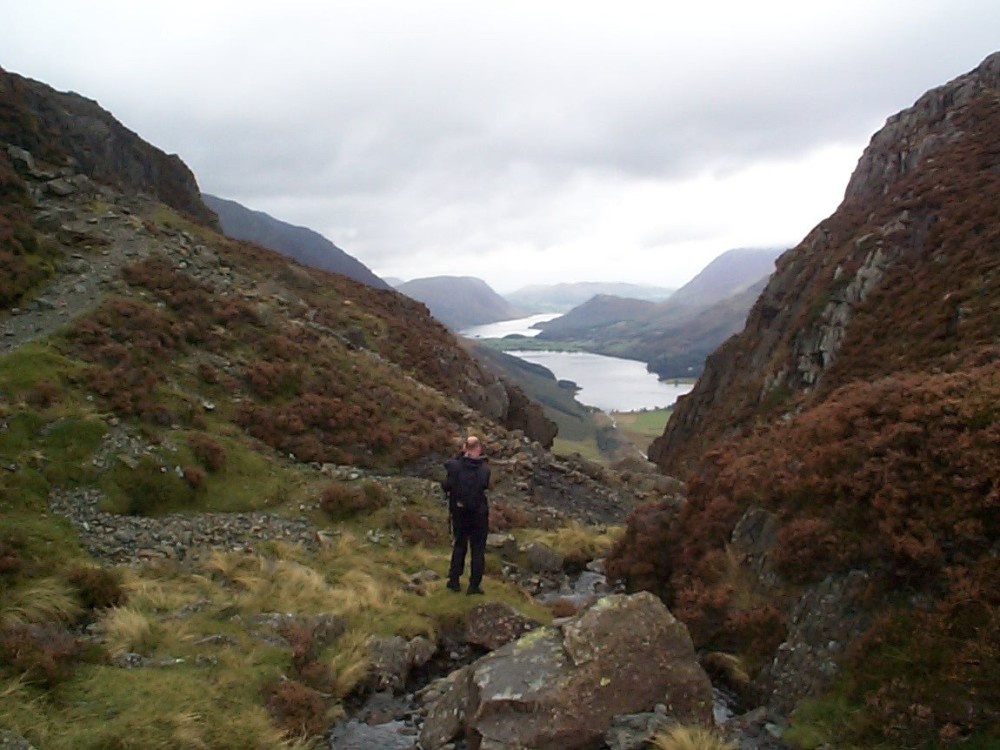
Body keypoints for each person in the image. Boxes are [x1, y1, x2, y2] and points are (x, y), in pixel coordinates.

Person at [441, 435, 491, 594]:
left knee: (459, 545)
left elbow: (446, 485)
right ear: (479, 449)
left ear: (464, 448)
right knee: (478, 550)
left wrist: (460, 456)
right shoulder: (484, 469)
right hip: (479, 514)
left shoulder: (455, 466)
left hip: (459, 512)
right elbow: (484, 485)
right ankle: (474, 586)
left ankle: (454, 581)